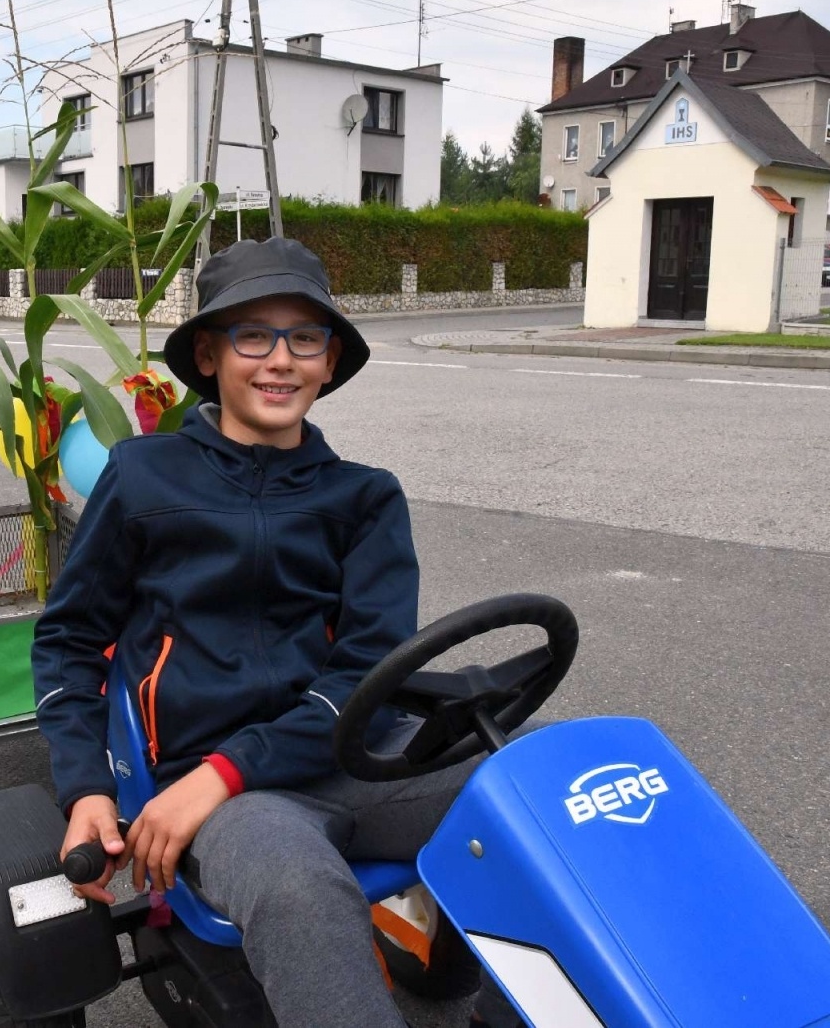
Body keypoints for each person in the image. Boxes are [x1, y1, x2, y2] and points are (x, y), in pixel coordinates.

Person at [33, 237, 520, 1028]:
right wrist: (87, 787)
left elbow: (366, 669)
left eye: (305, 338)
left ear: (330, 361)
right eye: (253, 335)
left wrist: (232, 770)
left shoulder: (365, 499)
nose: (281, 359)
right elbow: (68, 641)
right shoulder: (143, 477)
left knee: (561, 786)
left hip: (355, 759)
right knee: (300, 889)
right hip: (219, 794)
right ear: (209, 354)